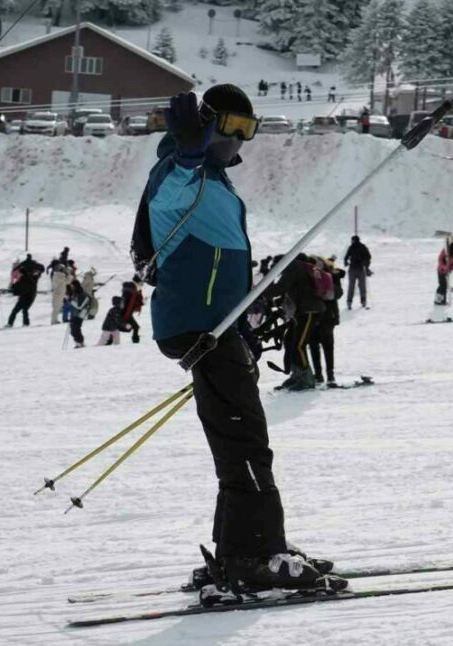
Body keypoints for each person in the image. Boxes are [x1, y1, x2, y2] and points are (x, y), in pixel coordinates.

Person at [130, 85, 329, 591]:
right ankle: (256, 554)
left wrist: (242, 323)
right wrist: (187, 155)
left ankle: (238, 547)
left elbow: (222, 264)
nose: (238, 140)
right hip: (200, 327)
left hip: (217, 326)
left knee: (237, 439)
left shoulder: (215, 179)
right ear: (204, 124)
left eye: (248, 130)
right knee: (246, 442)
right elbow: (169, 196)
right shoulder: (180, 173)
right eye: (230, 127)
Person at [265, 254, 325, 391]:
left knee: (299, 345)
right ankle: (297, 374)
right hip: (301, 311)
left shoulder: (293, 266)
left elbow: (282, 287)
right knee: (289, 340)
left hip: (309, 310)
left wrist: (258, 293)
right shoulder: (296, 267)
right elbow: (291, 290)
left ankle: (307, 377)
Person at [308, 256, 343, 385]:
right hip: (314, 316)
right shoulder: (308, 277)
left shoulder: (331, 276)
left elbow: (338, 293)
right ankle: (318, 374)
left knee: (327, 346)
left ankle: (330, 374)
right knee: (314, 346)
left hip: (327, 316)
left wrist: (327, 287)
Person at [7, 254, 43, 327]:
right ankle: (25, 323)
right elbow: (41, 269)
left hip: (26, 296)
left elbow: (18, 287)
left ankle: (11, 323)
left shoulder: (25, 278)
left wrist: (13, 288)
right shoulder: (32, 276)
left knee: (16, 310)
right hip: (30, 295)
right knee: (24, 310)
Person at [343, 235, 371, 310]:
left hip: (360, 269)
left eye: (353, 240)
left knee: (361, 286)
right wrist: (345, 262)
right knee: (352, 286)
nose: (352, 242)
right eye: (351, 240)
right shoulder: (351, 247)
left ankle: (363, 300)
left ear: (356, 240)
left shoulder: (362, 247)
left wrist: (366, 265)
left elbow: (368, 257)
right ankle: (349, 301)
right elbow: (346, 256)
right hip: (353, 269)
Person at [435, 237, 453, 305]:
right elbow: (440, 259)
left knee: (445, 286)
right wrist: (444, 268)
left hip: (447, 271)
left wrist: (450, 269)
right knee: (442, 285)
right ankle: (438, 300)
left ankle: (443, 300)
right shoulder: (445, 250)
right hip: (441, 270)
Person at [121, 277, 144, 343]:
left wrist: (142, 302)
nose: (142, 285)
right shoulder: (131, 290)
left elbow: (133, 304)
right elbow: (128, 304)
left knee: (135, 327)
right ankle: (135, 342)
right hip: (125, 313)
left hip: (127, 313)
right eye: (141, 284)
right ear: (137, 283)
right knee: (135, 327)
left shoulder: (133, 290)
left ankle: (135, 341)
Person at [67, 279, 89, 348]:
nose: (72, 287)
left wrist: (71, 301)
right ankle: (78, 342)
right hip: (75, 314)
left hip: (80, 314)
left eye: (72, 286)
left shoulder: (81, 294)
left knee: (75, 329)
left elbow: (79, 306)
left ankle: (80, 343)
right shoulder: (75, 293)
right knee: (73, 329)